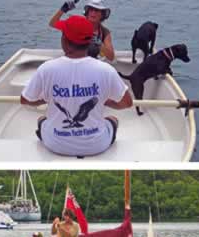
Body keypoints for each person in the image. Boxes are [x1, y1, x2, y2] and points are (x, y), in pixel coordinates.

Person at [21, 15, 133, 157]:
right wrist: (105, 101)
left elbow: (25, 100)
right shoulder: (106, 70)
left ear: (64, 41)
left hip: (55, 144)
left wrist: (44, 100)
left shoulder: (46, 69)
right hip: (97, 145)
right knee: (113, 119)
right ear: (89, 43)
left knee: (41, 120)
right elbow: (127, 103)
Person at [50, 0, 115, 61]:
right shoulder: (76, 24)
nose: (93, 13)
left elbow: (111, 57)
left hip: (92, 64)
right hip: (72, 61)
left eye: (97, 10)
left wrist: (99, 43)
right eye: (91, 9)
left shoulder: (104, 32)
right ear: (87, 11)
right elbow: (52, 24)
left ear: (102, 14)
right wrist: (62, 10)